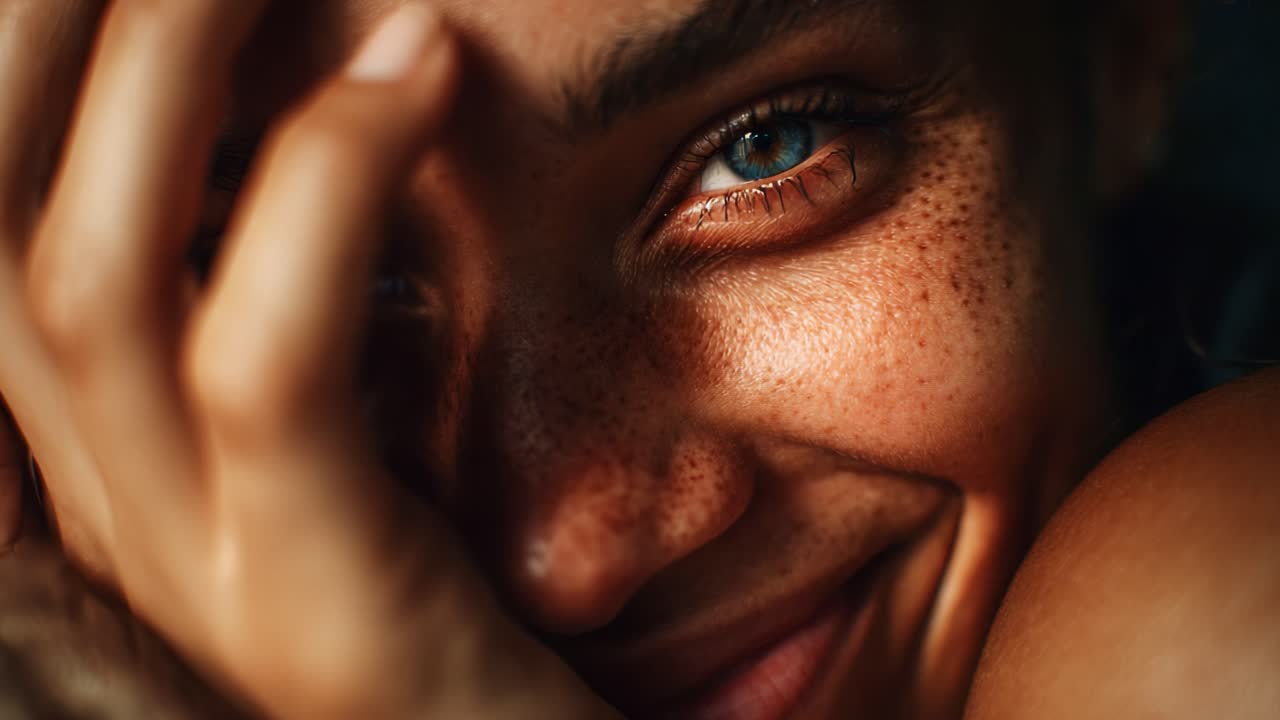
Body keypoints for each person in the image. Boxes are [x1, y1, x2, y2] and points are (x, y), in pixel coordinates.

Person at [0, 0, 1274, 718]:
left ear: (1121, 44)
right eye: (301, 267)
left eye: (764, 147)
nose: (568, 561)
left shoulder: (1224, 591)